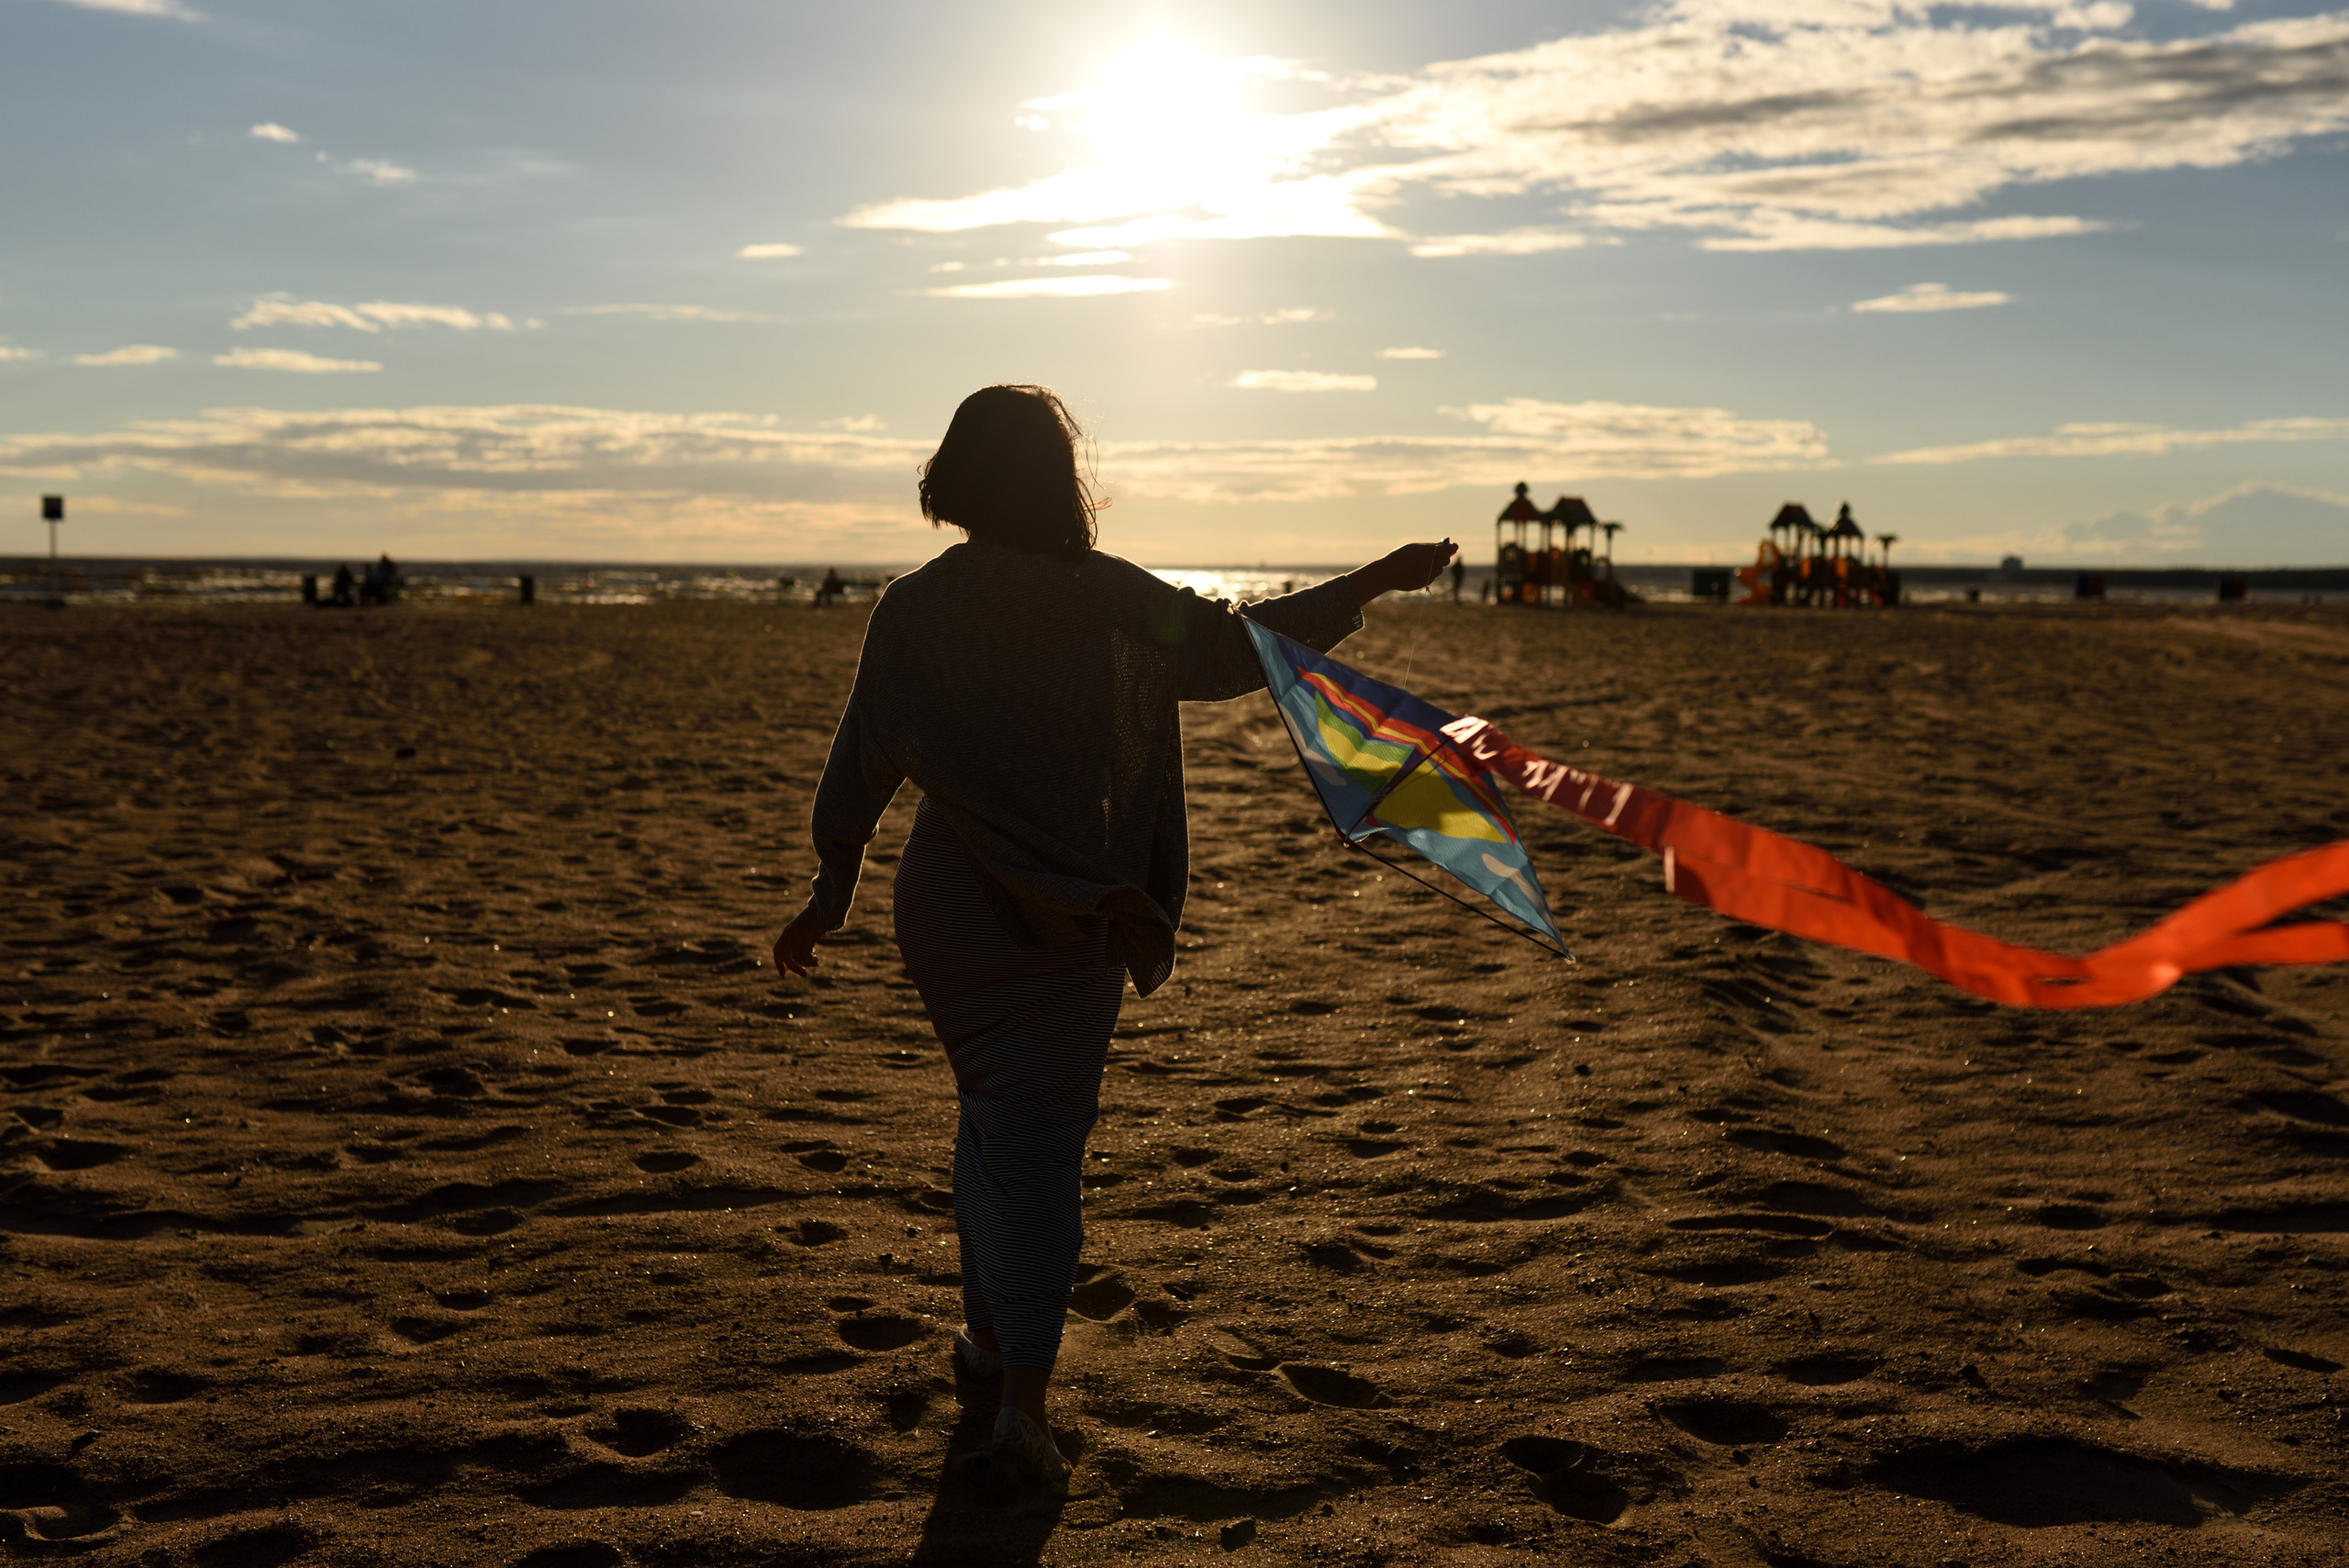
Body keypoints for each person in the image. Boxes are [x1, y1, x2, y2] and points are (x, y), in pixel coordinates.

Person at [772, 384, 1453, 1485]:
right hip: (1063, 909)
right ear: (1061, 480)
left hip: (944, 898)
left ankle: (989, 1344)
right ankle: (1024, 1413)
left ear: (954, 476)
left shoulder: (912, 606)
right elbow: (1243, 652)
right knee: (1035, 1145)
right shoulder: (1111, 599)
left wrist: (831, 886)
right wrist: (1371, 580)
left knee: (993, 1118)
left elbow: (864, 758)